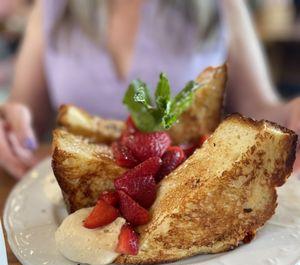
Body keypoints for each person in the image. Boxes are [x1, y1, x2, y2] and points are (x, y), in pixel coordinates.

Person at [0, 0, 299, 179]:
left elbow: (260, 111)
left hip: (193, 184)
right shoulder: (52, 7)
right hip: (65, 207)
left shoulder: (222, 5)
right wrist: (11, 126)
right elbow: (27, 113)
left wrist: (290, 114)